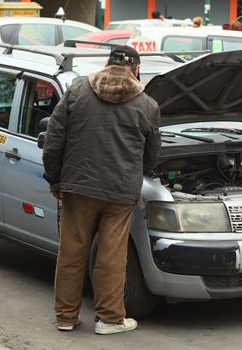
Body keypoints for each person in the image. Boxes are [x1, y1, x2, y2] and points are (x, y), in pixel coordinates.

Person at [43, 45, 161, 335]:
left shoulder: (77, 90)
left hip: (78, 186)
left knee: (72, 252)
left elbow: (54, 141)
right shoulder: (147, 104)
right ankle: (109, 319)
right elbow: (151, 155)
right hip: (120, 192)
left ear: (107, 64)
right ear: (136, 70)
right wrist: (141, 174)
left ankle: (66, 317)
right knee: (111, 256)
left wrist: (55, 180)